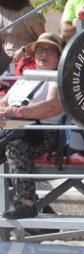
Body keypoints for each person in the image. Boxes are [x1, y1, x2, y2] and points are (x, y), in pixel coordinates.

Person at [0, 33, 66, 219]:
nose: (43, 54)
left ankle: (27, 202)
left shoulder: (55, 78)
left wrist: (17, 112)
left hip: (43, 131)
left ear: (58, 57)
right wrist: (5, 110)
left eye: (49, 50)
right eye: (40, 50)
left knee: (16, 147)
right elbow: (4, 101)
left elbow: (52, 106)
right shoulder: (25, 78)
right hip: (15, 126)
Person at [0, 0, 46, 71]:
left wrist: (25, 50)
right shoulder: (1, 12)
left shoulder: (26, 11)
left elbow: (44, 39)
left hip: (27, 60)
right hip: (6, 63)